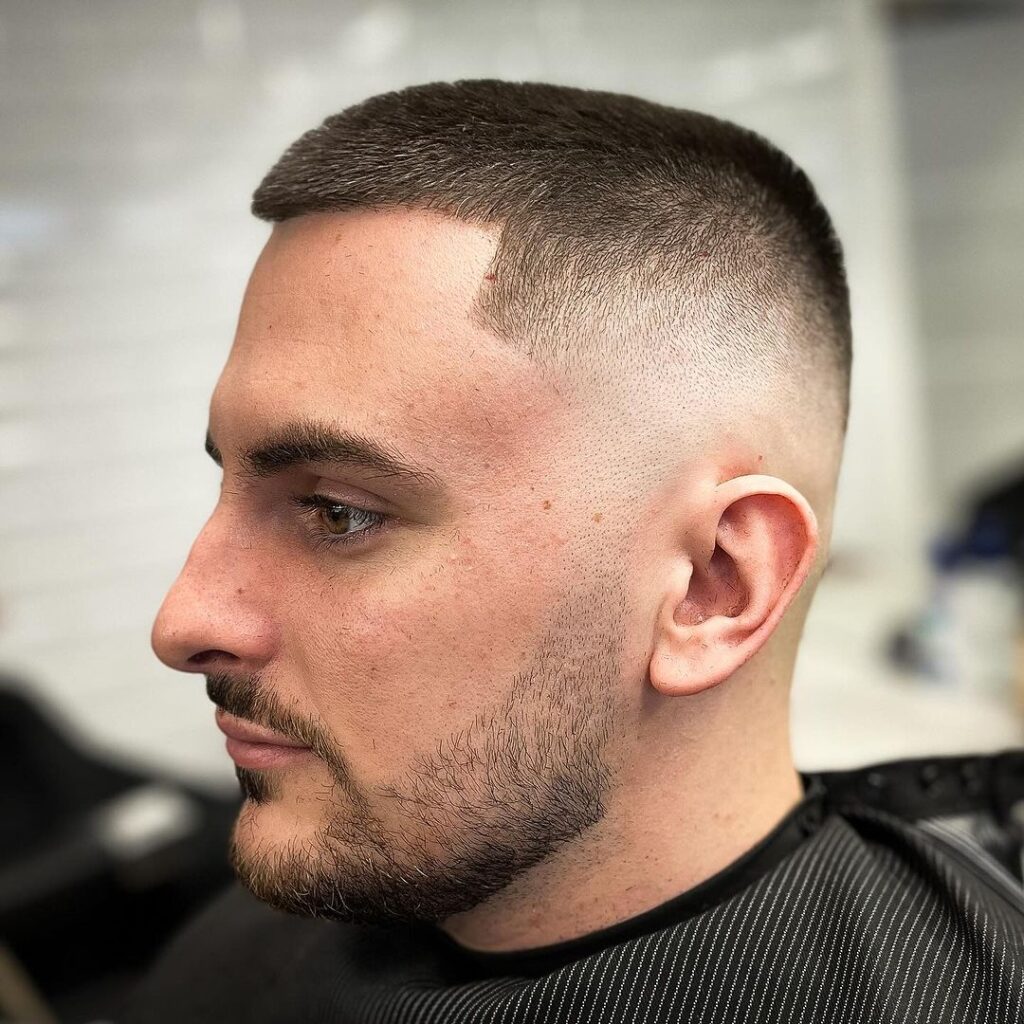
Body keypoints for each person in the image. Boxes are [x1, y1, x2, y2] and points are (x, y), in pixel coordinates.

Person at [124, 80, 1024, 1023]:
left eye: (338, 513)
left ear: (714, 586)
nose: (183, 623)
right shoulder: (235, 953)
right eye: (227, 483)